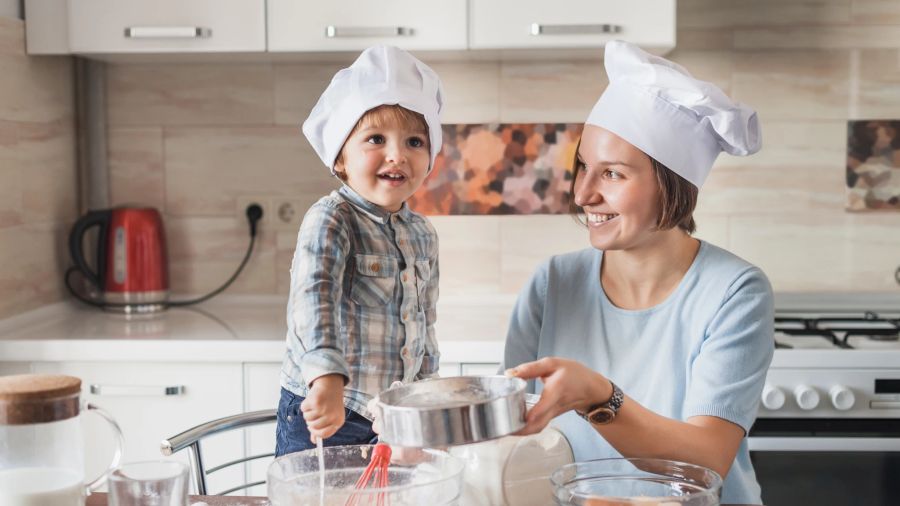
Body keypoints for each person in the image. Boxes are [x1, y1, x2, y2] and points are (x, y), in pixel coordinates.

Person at [502, 40, 774, 505]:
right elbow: (511, 435)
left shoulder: (735, 292)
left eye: (612, 174)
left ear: (671, 186)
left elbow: (707, 462)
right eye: (583, 167)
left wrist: (597, 397)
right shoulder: (553, 283)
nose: (583, 194)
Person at [276, 45, 444, 456]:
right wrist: (327, 381)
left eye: (415, 141)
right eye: (375, 139)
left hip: (393, 417)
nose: (397, 154)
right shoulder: (331, 219)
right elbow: (313, 304)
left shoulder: (423, 233)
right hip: (332, 408)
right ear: (341, 160)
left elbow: (424, 323)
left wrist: (422, 397)